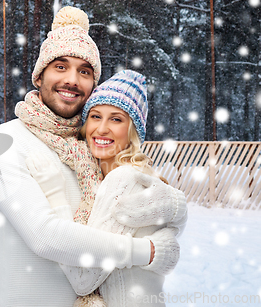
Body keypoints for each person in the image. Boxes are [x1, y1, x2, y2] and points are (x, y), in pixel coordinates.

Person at [0, 6, 186, 307]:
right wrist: (148, 251)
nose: (72, 80)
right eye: (60, 67)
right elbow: (45, 236)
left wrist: (175, 207)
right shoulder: (3, 142)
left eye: (84, 71)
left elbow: (125, 209)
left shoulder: (90, 147)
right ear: (39, 77)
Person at [24, 70, 187, 306]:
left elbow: (83, 280)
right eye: (95, 116)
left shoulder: (122, 179)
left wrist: (54, 195)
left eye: (116, 119)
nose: (101, 129)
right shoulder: (132, 176)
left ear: (133, 132)